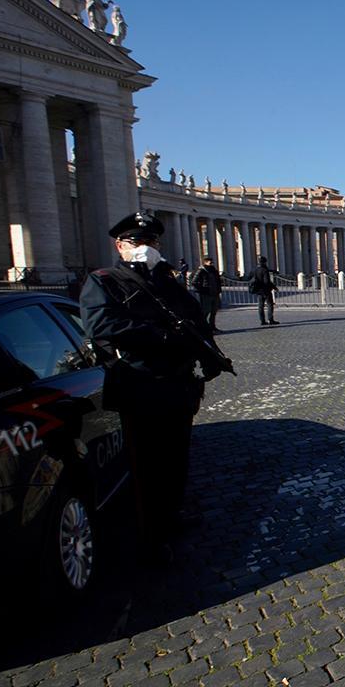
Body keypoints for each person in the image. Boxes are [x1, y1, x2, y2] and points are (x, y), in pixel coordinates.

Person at [80, 210, 231, 563]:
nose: (146, 247)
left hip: (177, 385)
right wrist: (162, 336)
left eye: (151, 241)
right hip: (139, 385)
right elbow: (103, 326)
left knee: (175, 459)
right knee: (146, 466)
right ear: (120, 246)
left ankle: (171, 517)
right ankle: (151, 538)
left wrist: (209, 355)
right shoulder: (104, 281)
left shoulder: (168, 280)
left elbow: (194, 320)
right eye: (138, 241)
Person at [243, 256, 279, 325]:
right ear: (264, 262)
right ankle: (270, 319)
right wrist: (274, 287)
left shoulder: (254, 270)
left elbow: (248, 278)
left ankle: (262, 321)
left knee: (260, 306)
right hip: (266, 290)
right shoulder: (264, 270)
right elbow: (267, 281)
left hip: (258, 290)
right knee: (270, 305)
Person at [191, 256, 223, 332]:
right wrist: (202, 290)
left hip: (215, 293)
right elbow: (194, 282)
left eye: (212, 262)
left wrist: (218, 290)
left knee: (214, 311)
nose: (211, 263)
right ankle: (203, 326)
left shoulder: (214, 271)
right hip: (206, 294)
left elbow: (217, 281)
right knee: (206, 311)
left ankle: (212, 326)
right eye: (209, 262)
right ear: (205, 262)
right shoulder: (201, 271)